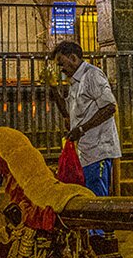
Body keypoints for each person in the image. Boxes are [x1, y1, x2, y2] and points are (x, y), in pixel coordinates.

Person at [49, 40, 120, 196]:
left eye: (62, 64)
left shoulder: (92, 75)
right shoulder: (75, 82)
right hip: (85, 151)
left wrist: (81, 129)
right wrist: (53, 88)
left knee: (97, 199)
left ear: (73, 58)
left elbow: (109, 107)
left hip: (98, 150)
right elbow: (67, 113)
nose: (61, 70)